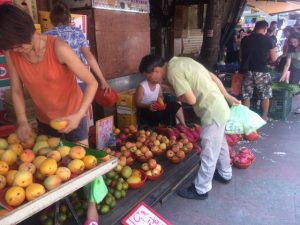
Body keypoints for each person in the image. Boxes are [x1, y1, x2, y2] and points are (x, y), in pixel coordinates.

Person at [0, 4, 101, 225]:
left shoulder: (58, 48)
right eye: (12, 48)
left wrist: (78, 115)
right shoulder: (12, 52)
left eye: (19, 45)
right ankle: (58, 203)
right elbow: (16, 90)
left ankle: (92, 206)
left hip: (74, 115)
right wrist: (22, 120)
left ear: (29, 31)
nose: (17, 50)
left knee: (86, 167)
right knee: (50, 167)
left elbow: (91, 82)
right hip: (45, 119)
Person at [139, 55, 240, 200]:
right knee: (220, 143)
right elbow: (211, 76)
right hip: (219, 106)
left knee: (209, 151)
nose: (150, 81)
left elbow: (190, 99)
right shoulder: (180, 61)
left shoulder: (173, 73)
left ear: (156, 70)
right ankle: (225, 173)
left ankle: (201, 189)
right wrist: (227, 96)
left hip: (211, 111)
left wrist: (172, 90)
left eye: (149, 77)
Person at [46, 1, 110, 92]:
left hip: (56, 84)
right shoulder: (77, 32)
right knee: (82, 106)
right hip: (78, 80)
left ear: (52, 19)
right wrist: (102, 80)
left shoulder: (46, 36)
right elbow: (89, 56)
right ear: (69, 18)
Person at [240, 20, 277, 121]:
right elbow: (274, 59)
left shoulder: (245, 39)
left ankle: (246, 118)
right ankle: (264, 117)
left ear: (255, 27)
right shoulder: (269, 40)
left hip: (247, 71)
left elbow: (240, 56)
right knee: (265, 95)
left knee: (246, 95)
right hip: (262, 71)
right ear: (265, 28)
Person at [280, 33, 300, 111]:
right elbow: (287, 65)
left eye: (295, 42)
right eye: (292, 42)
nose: (293, 44)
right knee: (294, 88)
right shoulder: (290, 50)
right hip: (295, 69)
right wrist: (283, 76)